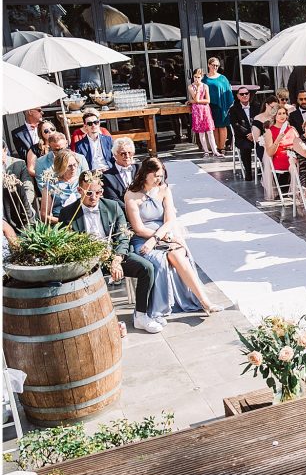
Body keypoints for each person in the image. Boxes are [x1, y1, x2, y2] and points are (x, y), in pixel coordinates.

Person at [58, 171, 159, 334]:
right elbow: (67, 245)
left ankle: (141, 315)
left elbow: (124, 238)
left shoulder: (112, 206)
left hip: (113, 255)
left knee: (147, 268)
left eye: (98, 192)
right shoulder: (68, 213)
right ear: (79, 190)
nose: (93, 196)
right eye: (89, 192)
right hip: (87, 260)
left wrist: (116, 260)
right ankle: (98, 322)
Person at [125, 157, 223, 318]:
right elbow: (139, 229)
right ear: (145, 174)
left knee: (177, 254)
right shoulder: (132, 195)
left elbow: (170, 220)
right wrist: (154, 239)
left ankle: (205, 301)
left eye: (161, 175)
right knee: (161, 260)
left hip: (165, 234)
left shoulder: (164, 189)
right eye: (156, 175)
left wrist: (159, 238)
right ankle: (165, 304)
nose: (159, 179)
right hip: (143, 238)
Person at [263, 105, 298, 194]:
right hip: (280, 158)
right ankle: (297, 192)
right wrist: (278, 140)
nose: (282, 116)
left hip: (293, 154)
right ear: (275, 116)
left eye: (284, 113)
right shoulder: (270, 131)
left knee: (302, 161)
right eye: (279, 114)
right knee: (296, 164)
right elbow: (269, 153)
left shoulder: (291, 129)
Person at [202, 57, 233, 154]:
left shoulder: (223, 78)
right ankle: (216, 147)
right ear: (208, 65)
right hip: (209, 106)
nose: (215, 67)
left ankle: (222, 147)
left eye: (217, 65)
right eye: (213, 65)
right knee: (213, 127)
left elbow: (228, 91)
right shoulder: (204, 79)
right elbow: (199, 91)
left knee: (222, 126)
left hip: (222, 106)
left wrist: (229, 103)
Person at [39, 149, 80, 223]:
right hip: (61, 223)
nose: (73, 168)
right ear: (61, 167)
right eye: (69, 166)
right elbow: (44, 216)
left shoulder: (83, 182)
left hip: (81, 221)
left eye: (75, 165)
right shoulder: (51, 185)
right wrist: (63, 222)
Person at [229, 86, 260, 181]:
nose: (244, 95)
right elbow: (236, 125)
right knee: (245, 148)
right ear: (238, 96)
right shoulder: (234, 109)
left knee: (266, 145)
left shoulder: (257, 107)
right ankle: (248, 172)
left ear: (249, 95)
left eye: (246, 93)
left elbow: (261, 122)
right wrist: (248, 134)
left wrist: (255, 134)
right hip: (242, 137)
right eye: (242, 94)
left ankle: (264, 170)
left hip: (257, 135)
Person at [250, 100, 279, 201]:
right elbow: (256, 138)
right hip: (262, 145)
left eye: (276, 108)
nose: (274, 110)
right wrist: (267, 140)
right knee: (268, 155)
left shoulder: (278, 117)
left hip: (277, 144)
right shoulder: (258, 118)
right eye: (272, 107)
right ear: (266, 105)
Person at [188, 67, 220, 158]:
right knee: (201, 132)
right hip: (197, 111)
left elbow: (208, 100)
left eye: (198, 77)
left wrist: (192, 101)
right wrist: (197, 89)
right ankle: (206, 151)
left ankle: (215, 150)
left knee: (210, 131)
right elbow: (196, 98)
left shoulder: (205, 86)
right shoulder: (191, 87)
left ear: (202, 77)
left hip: (205, 110)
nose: (196, 79)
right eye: (195, 77)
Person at [2, 143, 35, 231]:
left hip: (21, 207)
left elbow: (28, 188)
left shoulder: (18, 164)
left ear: (5, 150)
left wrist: (25, 204)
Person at [101, 137, 137, 210]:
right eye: (123, 154)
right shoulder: (107, 176)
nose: (127, 156)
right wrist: (132, 211)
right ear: (115, 155)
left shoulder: (140, 169)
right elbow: (113, 200)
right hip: (123, 213)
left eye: (129, 153)